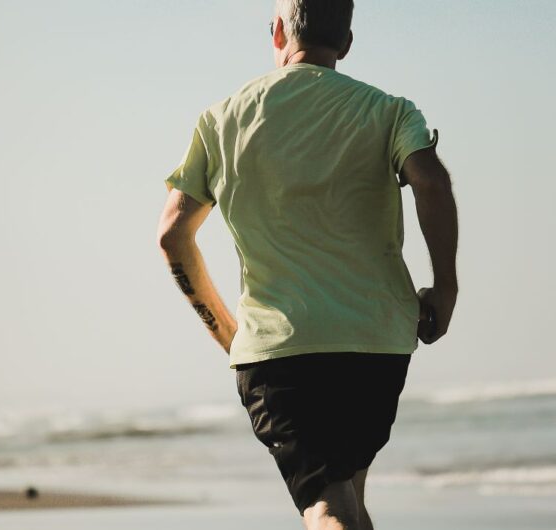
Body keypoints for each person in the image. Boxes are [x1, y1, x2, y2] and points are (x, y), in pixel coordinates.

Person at [156, 1, 459, 528]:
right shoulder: (388, 111)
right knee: (350, 499)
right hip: (376, 342)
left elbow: (172, 236)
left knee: (326, 508)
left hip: (280, 349)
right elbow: (431, 182)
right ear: (346, 41)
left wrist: (228, 331)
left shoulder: (222, 119)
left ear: (277, 33)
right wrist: (446, 290)